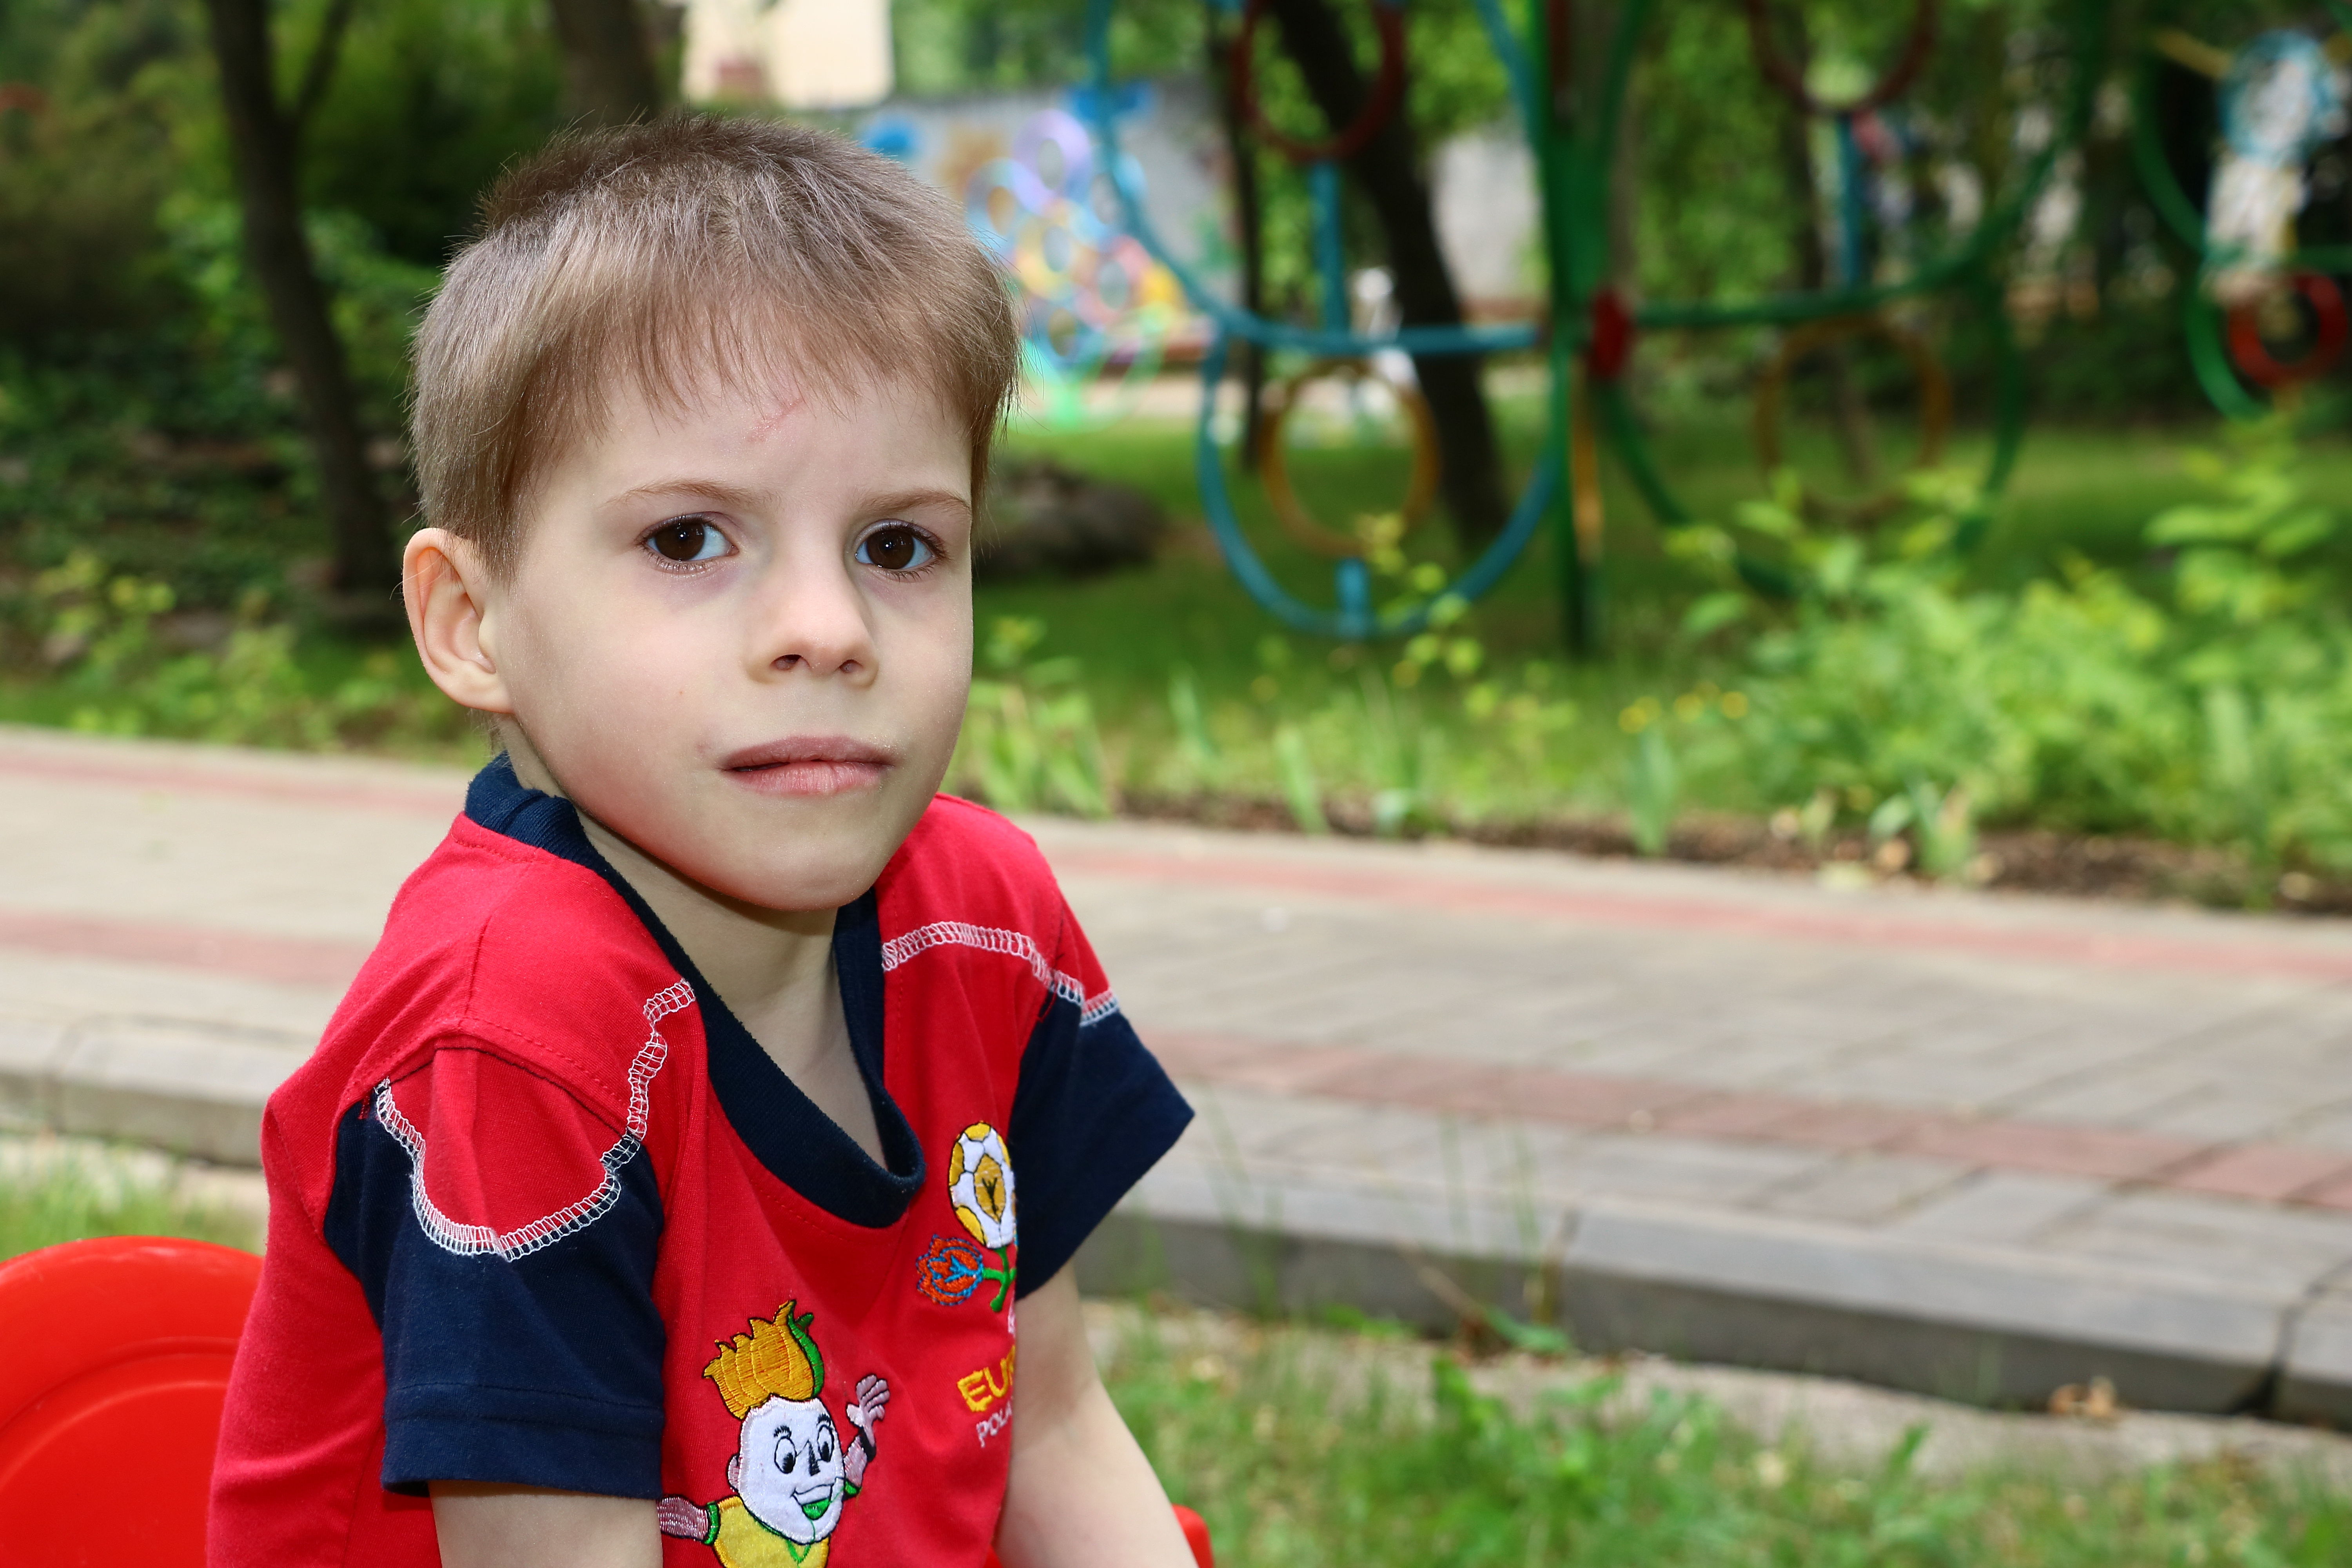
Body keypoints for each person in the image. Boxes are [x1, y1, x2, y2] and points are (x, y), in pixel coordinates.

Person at [207, 116, 1198, 1568]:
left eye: (899, 546)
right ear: (472, 624)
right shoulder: (518, 1044)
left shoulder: (984, 922)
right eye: (688, 540)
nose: (827, 630)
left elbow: (1048, 1425)